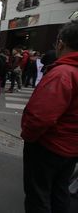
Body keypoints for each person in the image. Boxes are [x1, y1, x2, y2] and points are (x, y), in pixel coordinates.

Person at [21, 20, 78, 213]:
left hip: (49, 146)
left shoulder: (63, 73)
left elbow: (40, 116)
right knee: (59, 191)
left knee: (39, 196)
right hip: (70, 148)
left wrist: (28, 136)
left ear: (60, 43)